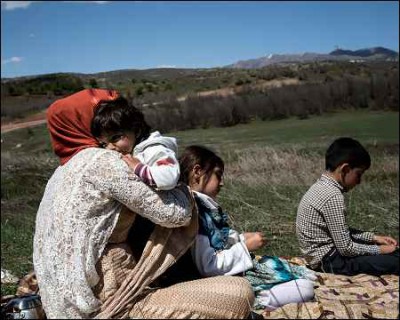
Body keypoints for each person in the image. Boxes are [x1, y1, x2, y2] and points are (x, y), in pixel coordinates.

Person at [32, 88, 255, 319]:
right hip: (110, 303)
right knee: (239, 293)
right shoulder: (103, 160)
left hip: (61, 306)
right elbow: (175, 213)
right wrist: (179, 182)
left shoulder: (59, 173)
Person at [179, 145, 316, 311]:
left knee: (290, 272)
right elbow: (208, 265)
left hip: (225, 276)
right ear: (197, 172)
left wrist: (241, 238)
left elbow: (217, 239)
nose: (222, 183)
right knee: (305, 288)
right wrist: (244, 247)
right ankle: (253, 300)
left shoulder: (203, 207)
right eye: (218, 175)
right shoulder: (197, 213)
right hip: (218, 282)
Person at [296, 137, 399, 276]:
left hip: (325, 255)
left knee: (389, 253)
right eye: (358, 174)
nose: (359, 181)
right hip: (330, 262)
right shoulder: (333, 196)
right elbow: (346, 248)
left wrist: (374, 238)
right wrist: (380, 250)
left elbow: (340, 231)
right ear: (345, 169)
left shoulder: (320, 186)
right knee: (394, 261)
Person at [91, 97, 180, 191]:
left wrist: (139, 168)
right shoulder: (130, 150)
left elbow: (169, 177)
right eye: (104, 144)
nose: (109, 148)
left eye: (115, 138)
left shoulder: (155, 149)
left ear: (136, 131)